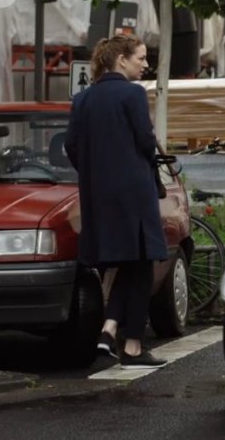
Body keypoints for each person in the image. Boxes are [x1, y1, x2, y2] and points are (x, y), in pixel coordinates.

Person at [64, 34, 168, 370]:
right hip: (134, 192)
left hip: (99, 195)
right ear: (121, 60)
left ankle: (112, 332)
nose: (145, 64)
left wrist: (96, 174)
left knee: (131, 262)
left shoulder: (82, 100)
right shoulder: (132, 94)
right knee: (142, 260)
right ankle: (131, 344)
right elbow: (144, 141)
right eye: (140, 57)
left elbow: (71, 146)